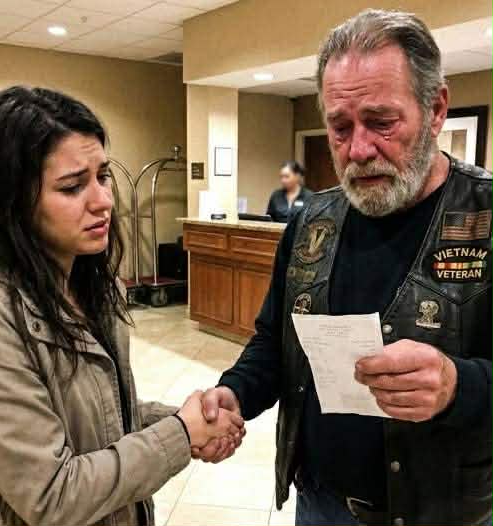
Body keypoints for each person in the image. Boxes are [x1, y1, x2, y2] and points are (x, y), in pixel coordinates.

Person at [193, 9, 493, 526]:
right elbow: (275, 343)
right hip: (319, 504)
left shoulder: (485, 216)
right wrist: (234, 391)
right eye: (339, 128)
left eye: (382, 122)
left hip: (446, 512)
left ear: (436, 109)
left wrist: (457, 386)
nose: (358, 149)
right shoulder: (311, 220)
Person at [0, 86, 244, 526]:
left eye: (103, 176)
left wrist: (190, 419)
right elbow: (52, 496)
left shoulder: (95, 286)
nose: (103, 201)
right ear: (12, 200)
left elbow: (104, 415)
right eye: (73, 186)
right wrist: (181, 433)